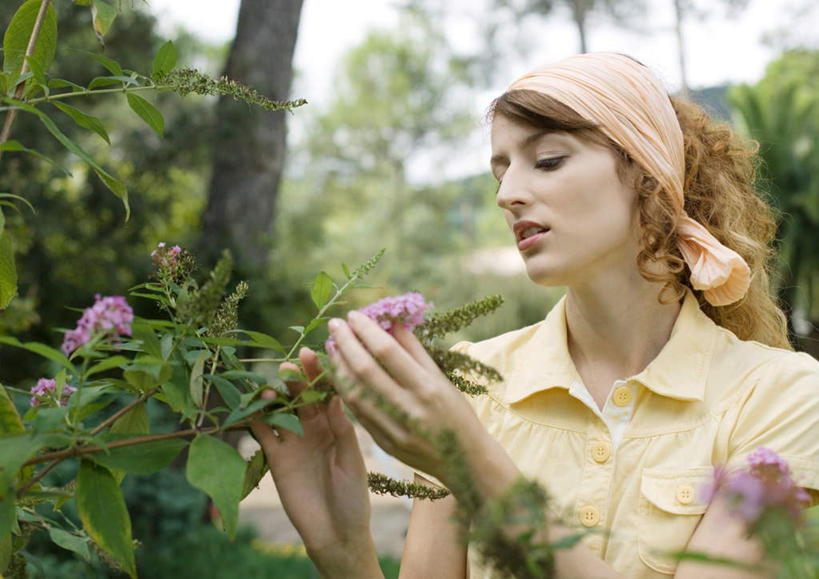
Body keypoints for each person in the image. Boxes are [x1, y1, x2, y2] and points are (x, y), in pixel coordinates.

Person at [250, 52, 819, 578]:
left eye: (547, 160)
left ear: (647, 174)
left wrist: (473, 464)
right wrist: (344, 551)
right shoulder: (472, 386)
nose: (508, 194)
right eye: (501, 172)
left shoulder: (781, 397)